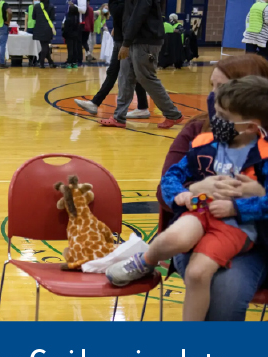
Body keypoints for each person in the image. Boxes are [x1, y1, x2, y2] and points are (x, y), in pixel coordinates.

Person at [107, 76, 268, 321]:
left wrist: (238, 206)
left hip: (237, 227)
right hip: (200, 211)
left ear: (251, 126)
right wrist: (184, 193)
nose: (216, 121)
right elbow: (172, 176)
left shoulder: (263, 156)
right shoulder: (206, 143)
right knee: (174, 237)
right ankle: (145, 260)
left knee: (200, 274)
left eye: (224, 117)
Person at [155, 54, 268, 321]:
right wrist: (197, 187)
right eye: (212, 86)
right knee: (206, 276)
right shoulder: (197, 131)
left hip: (255, 239)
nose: (212, 95)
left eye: (221, 87)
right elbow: (165, 187)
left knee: (227, 289)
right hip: (198, 229)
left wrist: (256, 197)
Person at [99, 0, 183, 129]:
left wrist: (126, 42)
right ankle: (119, 117)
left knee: (146, 78)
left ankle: (173, 114)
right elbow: (127, 14)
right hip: (132, 39)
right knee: (125, 76)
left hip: (146, 40)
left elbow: (139, 15)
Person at [74, 0, 149, 119]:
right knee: (124, 73)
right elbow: (122, 16)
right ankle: (142, 107)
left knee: (125, 74)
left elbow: (120, 13)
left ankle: (161, 110)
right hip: (123, 39)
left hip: (125, 41)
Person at [32, 0, 56, 68]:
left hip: (39, 28)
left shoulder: (36, 6)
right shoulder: (51, 6)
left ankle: (45, 62)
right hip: (48, 28)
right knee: (45, 46)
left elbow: (33, 17)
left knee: (44, 46)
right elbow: (52, 18)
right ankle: (47, 62)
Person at [62, 4, 82, 69]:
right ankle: (74, 63)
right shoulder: (77, 19)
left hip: (69, 36)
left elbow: (65, 29)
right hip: (76, 35)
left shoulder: (68, 19)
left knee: (70, 50)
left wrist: (64, 35)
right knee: (75, 49)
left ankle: (69, 63)